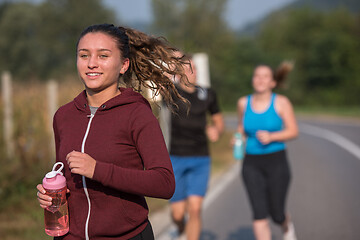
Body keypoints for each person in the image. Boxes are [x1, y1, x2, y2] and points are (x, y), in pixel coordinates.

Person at [36, 23, 192, 240]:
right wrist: (51, 190)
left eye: (103, 56)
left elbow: (164, 183)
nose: (91, 63)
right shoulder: (63, 116)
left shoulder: (137, 114)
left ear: (123, 65)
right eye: (84, 55)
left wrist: (98, 170)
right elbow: (67, 177)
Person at [236, 62, 298, 240]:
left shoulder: (281, 102)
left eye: (265, 76)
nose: (260, 79)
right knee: (259, 214)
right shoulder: (243, 103)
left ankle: (286, 226)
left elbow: (293, 131)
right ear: (252, 80)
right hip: (251, 163)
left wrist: (272, 137)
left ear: (272, 82)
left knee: (277, 213)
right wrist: (237, 138)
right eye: (257, 75)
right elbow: (241, 128)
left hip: (276, 161)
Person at [168, 56, 224, 240]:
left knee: (195, 209)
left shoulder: (207, 94)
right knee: (177, 214)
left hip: (201, 157)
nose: (191, 72)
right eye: (186, 68)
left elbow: (218, 121)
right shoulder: (170, 92)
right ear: (178, 72)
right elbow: (154, 83)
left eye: (193, 68)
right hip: (176, 157)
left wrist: (217, 130)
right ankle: (180, 228)